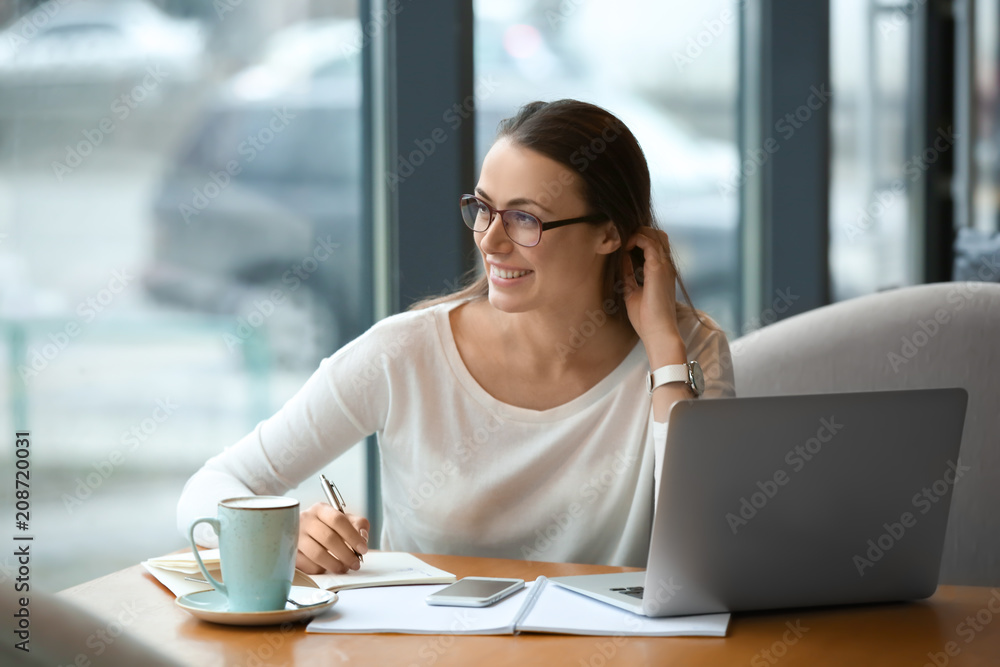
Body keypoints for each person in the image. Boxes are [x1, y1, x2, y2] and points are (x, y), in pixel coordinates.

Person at [177, 99, 735, 573]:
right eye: (483, 209)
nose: (490, 242)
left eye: (524, 219)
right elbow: (212, 486)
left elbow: (711, 545)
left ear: (609, 234)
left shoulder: (688, 353)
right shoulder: (404, 353)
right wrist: (284, 531)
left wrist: (663, 352)